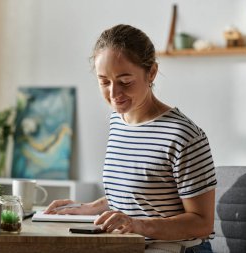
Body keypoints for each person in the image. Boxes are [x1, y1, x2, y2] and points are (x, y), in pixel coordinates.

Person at [44, 24, 217, 253]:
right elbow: (139, 195)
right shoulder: (118, 122)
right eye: (104, 81)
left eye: (125, 81)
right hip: (129, 246)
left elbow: (202, 223)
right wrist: (88, 208)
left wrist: (136, 225)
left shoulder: (184, 136)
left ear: (152, 73)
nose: (114, 94)